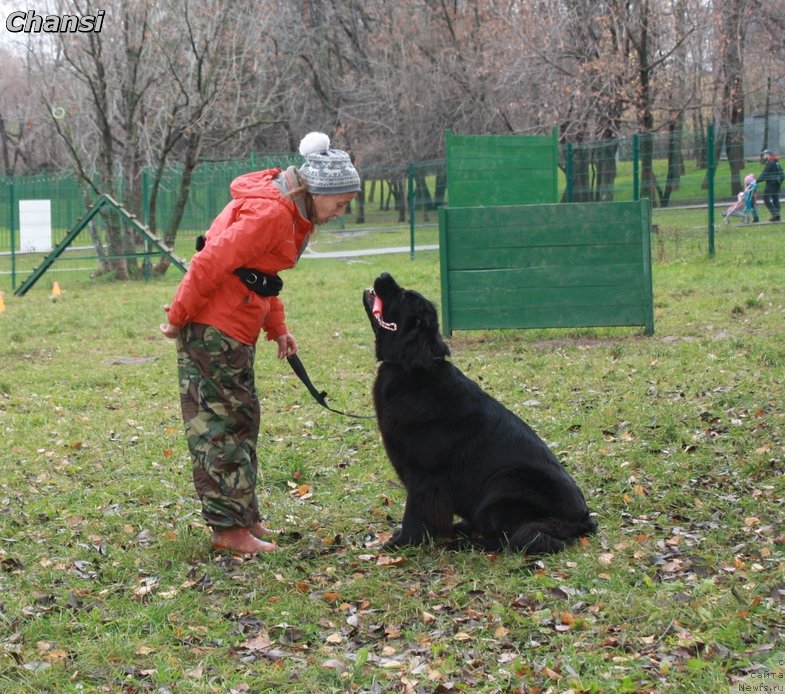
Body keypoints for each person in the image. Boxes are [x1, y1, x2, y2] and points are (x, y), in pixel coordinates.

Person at [160, 132, 361, 555]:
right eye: (339, 204)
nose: (340, 213)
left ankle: (244, 517)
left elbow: (259, 276)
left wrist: (278, 328)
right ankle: (228, 532)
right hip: (214, 328)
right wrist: (178, 318)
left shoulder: (290, 211)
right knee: (220, 426)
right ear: (316, 191)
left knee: (242, 418)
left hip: (236, 325)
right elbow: (210, 260)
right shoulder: (272, 214)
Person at [757, 150, 783, 222]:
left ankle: (775, 213)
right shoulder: (776, 162)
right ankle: (777, 216)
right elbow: (782, 173)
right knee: (775, 198)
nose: (763, 157)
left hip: (771, 182)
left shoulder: (770, 163)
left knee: (765, 197)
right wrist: (779, 182)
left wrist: (756, 181)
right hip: (777, 183)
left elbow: (764, 174)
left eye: (764, 155)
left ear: (768, 155)